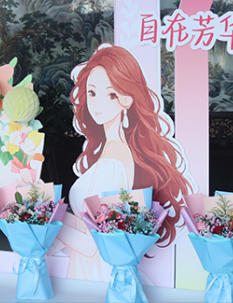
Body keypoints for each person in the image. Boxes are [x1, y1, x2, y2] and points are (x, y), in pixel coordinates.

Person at [52, 44, 197, 282]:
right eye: (92, 93)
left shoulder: (116, 155)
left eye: (111, 94)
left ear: (127, 99)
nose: (97, 103)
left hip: (99, 268)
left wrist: (49, 219)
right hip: (89, 266)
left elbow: (93, 241)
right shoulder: (109, 149)